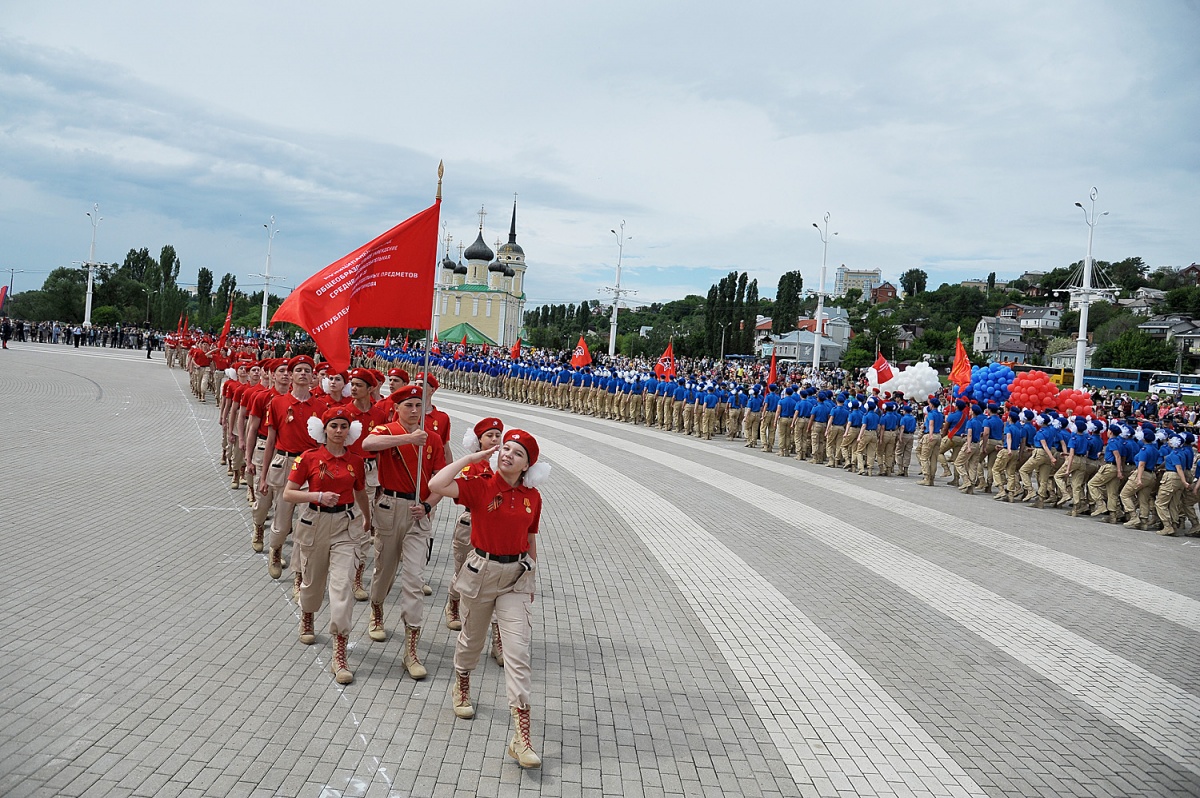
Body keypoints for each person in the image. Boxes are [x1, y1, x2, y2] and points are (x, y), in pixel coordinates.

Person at [429, 428, 550, 769]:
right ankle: (462, 683)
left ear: (528, 466)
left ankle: (521, 737)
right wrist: (471, 459)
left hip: (515, 579)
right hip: (481, 573)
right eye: (505, 448)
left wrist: (532, 578)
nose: (508, 453)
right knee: (472, 640)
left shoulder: (533, 497)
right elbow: (436, 485)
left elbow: (529, 539)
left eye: (518, 453)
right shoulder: (482, 485)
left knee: (518, 653)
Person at [360, 385, 446, 679]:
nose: (413, 410)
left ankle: (411, 650)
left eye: (418, 405)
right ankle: (377, 607)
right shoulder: (387, 430)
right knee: (384, 570)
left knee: (413, 579)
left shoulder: (431, 439)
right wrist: (408, 438)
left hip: (417, 512)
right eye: (408, 405)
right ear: (397, 407)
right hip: (389, 508)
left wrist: (428, 505)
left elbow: (440, 481)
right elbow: (367, 445)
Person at [281, 406, 372, 683]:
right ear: (324, 429)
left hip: (345, 525)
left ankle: (340, 649)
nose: (339, 431)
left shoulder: (355, 461)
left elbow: (360, 492)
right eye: (334, 426)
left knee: (342, 585)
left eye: (344, 426)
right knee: (312, 581)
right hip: (315, 523)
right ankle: (308, 615)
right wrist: (318, 496)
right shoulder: (308, 458)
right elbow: (288, 494)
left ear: (350, 431)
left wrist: (367, 518)